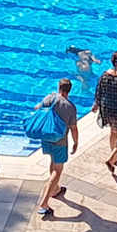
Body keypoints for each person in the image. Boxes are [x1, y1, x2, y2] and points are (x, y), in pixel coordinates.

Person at [35, 79, 79, 219]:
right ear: (69, 90)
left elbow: (37, 108)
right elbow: (73, 128)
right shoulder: (70, 107)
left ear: (59, 87)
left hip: (46, 137)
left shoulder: (50, 98)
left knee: (53, 161)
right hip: (60, 142)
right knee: (57, 171)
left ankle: (55, 189)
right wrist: (75, 142)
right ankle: (44, 203)